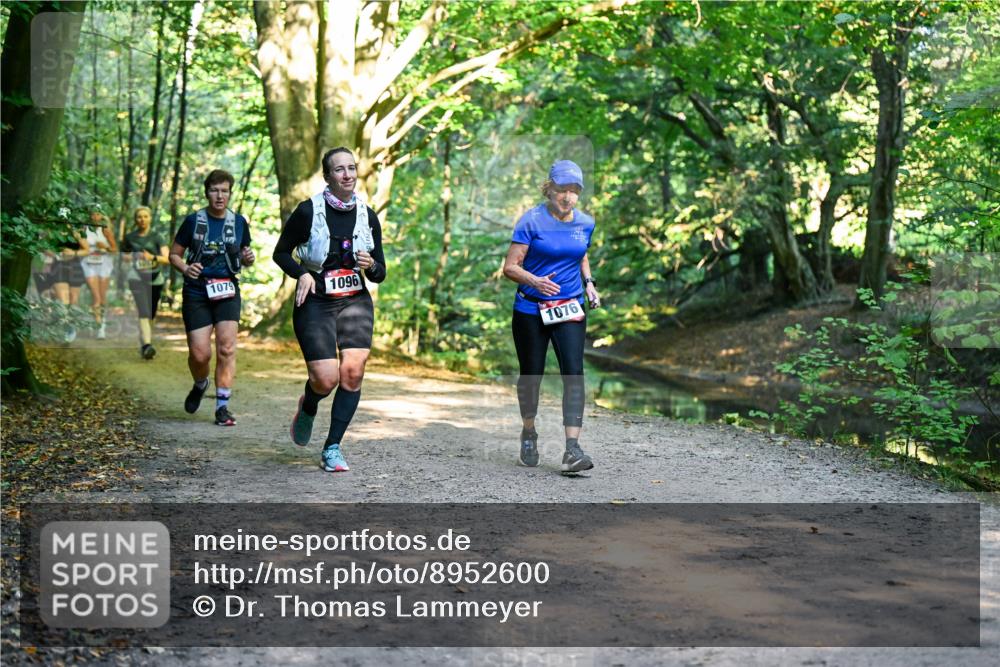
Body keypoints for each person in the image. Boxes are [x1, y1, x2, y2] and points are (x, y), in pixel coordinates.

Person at [272, 147, 386, 473]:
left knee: (352, 372)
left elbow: (380, 272)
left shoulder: (368, 215)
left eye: (351, 168)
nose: (347, 174)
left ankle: (332, 447)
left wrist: (372, 264)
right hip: (316, 302)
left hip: (354, 300)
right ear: (327, 176)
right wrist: (301, 273)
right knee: (325, 379)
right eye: (339, 170)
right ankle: (309, 404)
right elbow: (280, 254)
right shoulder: (308, 212)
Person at [501, 159, 601, 473]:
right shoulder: (530, 221)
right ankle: (529, 432)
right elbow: (510, 267)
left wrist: (589, 284)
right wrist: (535, 280)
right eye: (562, 189)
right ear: (550, 189)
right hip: (531, 308)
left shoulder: (585, 222)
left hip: (570, 306)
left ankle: (572, 449)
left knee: (574, 373)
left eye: (574, 190)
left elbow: (580, 252)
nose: (568, 196)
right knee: (532, 374)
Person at [169, 170, 255, 426]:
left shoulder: (239, 222)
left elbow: (244, 255)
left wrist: (248, 259)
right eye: (215, 190)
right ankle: (200, 383)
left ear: (230, 193)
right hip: (197, 291)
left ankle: (222, 407)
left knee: (227, 348)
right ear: (207, 192)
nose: (220, 196)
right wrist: (186, 268)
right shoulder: (193, 221)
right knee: (200, 354)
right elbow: (174, 254)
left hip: (227, 290)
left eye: (225, 191)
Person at [122, 206, 169, 359]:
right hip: (136, 277)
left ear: (150, 218)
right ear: (136, 220)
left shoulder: (157, 237)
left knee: (151, 314)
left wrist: (152, 258)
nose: (142, 219)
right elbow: (124, 256)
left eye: (145, 216)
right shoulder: (129, 237)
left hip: (155, 279)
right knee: (143, 310)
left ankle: (145, 340)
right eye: (139, 217)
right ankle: (147, 345)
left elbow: (167, 259)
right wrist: (129, 257)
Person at [79, 208, 117, 339]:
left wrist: (104, 247)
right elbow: (81, 247)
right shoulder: (84, 229)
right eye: (93, 213)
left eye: (98, 213)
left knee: (102, 296)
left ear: (101, 216)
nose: (95, 216)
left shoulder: (105, 230)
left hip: (104, 264)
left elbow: (114, 249)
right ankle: (99, 325)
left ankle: (103, 324)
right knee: (96, 296)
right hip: (89, 263)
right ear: (90, 215)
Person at [51, 228, 86, 343]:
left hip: (75, 267)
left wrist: (73, 253)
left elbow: (87, 250)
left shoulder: (78, 231)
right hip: (58, 267)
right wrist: (54, 253)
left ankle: (71, 326)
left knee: (73, 302)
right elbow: (43, 246)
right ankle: (67, 330)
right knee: (63, 301)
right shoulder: (52, 228)